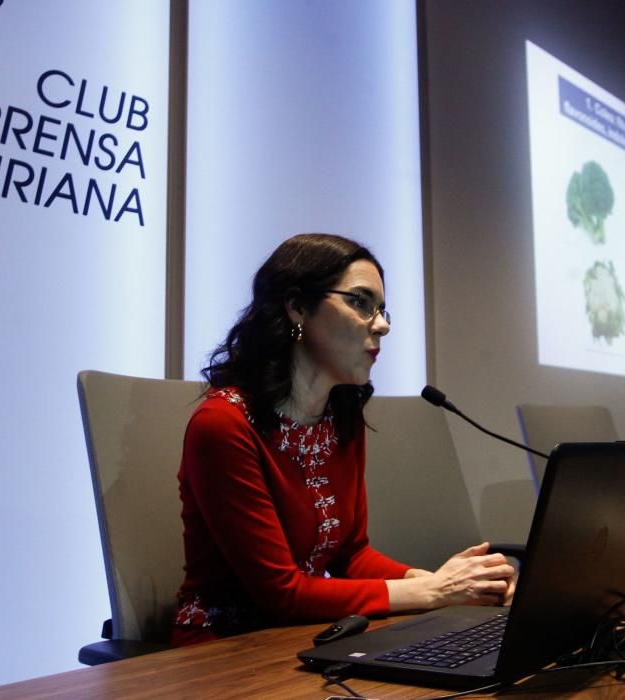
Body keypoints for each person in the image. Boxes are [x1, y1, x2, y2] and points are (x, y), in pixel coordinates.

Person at [171, 233, 514, 646]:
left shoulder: (341, 416)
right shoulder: (223, 424)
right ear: (297, 307)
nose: (383, 325)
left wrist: (447, 583)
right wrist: (433, 592)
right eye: (361, 302)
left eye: (383, 309)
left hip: (306, 636)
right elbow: (283, 594)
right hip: (221, 650)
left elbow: (351, 555)